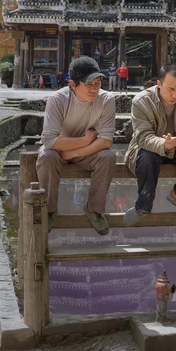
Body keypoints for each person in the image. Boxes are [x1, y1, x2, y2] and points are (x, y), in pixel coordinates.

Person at [36, 56, 116, 234]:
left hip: (84, 153)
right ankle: (49, 210)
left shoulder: (106, 99)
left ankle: (94, 209)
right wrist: (85, 140)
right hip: (58, 150)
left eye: (97, 83)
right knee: (47, 156)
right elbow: (49, 141)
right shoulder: (57, 99)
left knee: (107, 157)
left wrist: (73, 152)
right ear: (73, 84)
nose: (94, 89)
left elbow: (106, 140)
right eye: (89, 84)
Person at [123, 63, 176, 226]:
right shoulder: (141, 101)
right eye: (170, 89)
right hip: (151, 149)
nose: (175, 94)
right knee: (147, 157)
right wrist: (164, 143)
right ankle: (143, 206)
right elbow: (142, 136)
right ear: (159, 84)